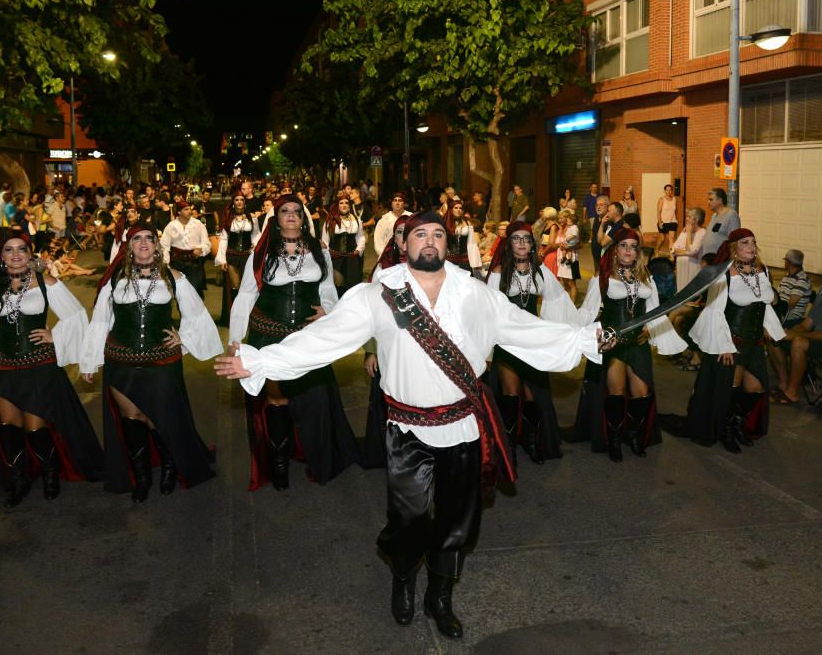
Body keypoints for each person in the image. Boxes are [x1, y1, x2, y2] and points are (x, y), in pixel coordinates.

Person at [215, 210, 606, 639]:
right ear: (404, 245)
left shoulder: (475, 293)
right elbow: (324, 338)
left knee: (459, 521)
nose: (430, 241)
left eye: (439, 234)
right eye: (421, 234)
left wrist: (582, 339)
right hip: (406, 429)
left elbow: (526, 330)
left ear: (448, 243)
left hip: (463, 428)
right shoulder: (378, 294)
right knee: (409, 520)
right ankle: (403, 578)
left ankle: (440, 596)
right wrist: (260, 360)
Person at [0, 231, 102, 506]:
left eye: (21, 249)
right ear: (1, 256)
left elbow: (76, 314)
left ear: (30, 253)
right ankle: (19, 477)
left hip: (37, 362)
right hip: (1, 362)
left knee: (35, 425)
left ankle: (50, 473)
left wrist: (55, 337)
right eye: (9, 250)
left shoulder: (45, 281)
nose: (15, 255)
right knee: (7, 425)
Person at [227, 195, 357, 491]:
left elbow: (327, 288)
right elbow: (246, 294)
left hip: (307, 335)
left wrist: (329, 312)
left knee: (313, 398)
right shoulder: (262, 253)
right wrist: (236, 339)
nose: (291, 216)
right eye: (285, 211)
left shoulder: (317, 251)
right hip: (268, 334)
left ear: (304, 217)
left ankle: (316, 454)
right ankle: (279, 462)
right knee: (276, 399)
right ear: (276, 217)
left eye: (297, 212)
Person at [82, 223, 220, 502]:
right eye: (137, 239)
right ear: (128, 246)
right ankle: (142, 476)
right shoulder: (115, 279)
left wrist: (183, 338)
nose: (144, 243)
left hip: (161, 362)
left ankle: (169, 467)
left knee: (158, 417)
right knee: (132, 418)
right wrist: (89, 360)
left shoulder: (173, 277)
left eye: (149, 238)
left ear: (157, 246)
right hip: (121, 361)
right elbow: (100, 320)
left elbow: (197, 315)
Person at [573, 228, 687, 461]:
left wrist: (650, 329)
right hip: (613, 344)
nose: (629, 250)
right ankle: (614, 439)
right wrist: (584, 337)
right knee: (617, 392)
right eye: (624, 245)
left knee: (642, 394)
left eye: (633, 246)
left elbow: (655, 311)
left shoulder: (647, 278)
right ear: (615, 250)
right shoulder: (602, 278)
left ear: (638, 252)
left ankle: (633, 434)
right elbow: (589, 311)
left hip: (637, 344)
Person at [487, 221, 580, 465]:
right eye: (516, 238)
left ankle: (530, 441)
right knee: (510, 392)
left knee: (531, 395)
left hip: (532, 343)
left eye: (526, 239)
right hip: (507, 342)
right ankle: (508, 449)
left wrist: (562, 333)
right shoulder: (498, 273)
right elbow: (489, 312)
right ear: (509, 244)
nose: (521, 243)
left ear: (532, 244)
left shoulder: (540, 272)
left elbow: (558, 299)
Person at [683, 229, 785, 450]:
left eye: (753, 243)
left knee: (755, 389)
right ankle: (727, 430)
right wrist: (724, 345)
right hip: (733, 341)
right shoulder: (724, 273)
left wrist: (768, 324)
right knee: (731, 389)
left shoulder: (763, 270)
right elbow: (714, 311)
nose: (751, 247)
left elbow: (763, 301)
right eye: (745, 243)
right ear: (734, 249)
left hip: (755, 342)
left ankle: (738, 423)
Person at [361, 214, 410, 468]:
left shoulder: (430, 263)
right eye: (400, 232)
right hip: (389, 345)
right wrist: (371, 351)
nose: (404, 237)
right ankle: (392, 454)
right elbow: (372, 311)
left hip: (422, 347)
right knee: (389, 401)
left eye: (409, 231)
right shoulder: (384, 268)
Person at [215, 193, 260, 324]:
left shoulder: (251, 218)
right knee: (236, 287)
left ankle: (248, 316)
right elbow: (223, 239)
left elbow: (256, 235)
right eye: (237, 199)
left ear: (244, 202)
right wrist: (222, 259)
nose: (239, 202)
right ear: (233, 202)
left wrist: (255, 247)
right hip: (232, 257)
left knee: (247, 287)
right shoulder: (229, 219)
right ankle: (237, 316)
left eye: (241, 200)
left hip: (247, 256)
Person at [771, 292, 822, 405]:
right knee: (774, 333)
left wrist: (796, 336)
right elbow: (806, 324)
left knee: (799, 342)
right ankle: (783, 383)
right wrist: (787, 333)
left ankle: (792, 392)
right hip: (816, 336)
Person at [160, 201, 211, 298]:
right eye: (186, 209)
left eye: (189, 209)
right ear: (179, 212)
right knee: (180, 293)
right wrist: (166, 264)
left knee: (195, 291)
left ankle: (196, 312)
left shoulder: (198, 224)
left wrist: (201, 250)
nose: (189, 211)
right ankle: (183, 313)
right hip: (177, 263)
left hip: (194, 263)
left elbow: (207, 243)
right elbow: (164, 246)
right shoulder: (171, 226)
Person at [322, 196, 366, 296]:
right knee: (338, 287)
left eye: (346, 203)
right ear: (337, 205)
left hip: (352, 257)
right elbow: (325, 242)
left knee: (353, 287)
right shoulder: (329, 221)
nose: (344, 205)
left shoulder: (356, 219)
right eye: (341, 203)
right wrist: (330, 254)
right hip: (336, 259)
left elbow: (361, 237)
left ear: (349, 206)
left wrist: (358, 250)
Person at [671, 207, 706, 289]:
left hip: (693, 268)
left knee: (690, 291)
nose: (686, 219)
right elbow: (673, 249)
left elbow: (691, 251)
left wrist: (689, 233)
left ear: (696, 219)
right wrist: (686, 252)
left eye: (689, 217)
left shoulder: (702, 233)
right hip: (681, 267)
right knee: (681, 290)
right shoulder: (684, 232)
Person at [444, 197, 481, 275]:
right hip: (450, 259)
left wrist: (475, 262)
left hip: (464, 259)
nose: (458, 210)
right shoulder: (445, 222)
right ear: (451, 209)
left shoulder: (467, 222)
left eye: (460, 208)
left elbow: (471, 243)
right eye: (456, 208)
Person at [701, 188, 740, 258]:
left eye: (711, 199)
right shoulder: (714, 216)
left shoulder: (731, 215)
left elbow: (734, 241)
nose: (708, 202)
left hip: (721, 260)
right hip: (709, 259)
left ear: (720, 200)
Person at [373, 191, 411, 257]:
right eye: (395, 200)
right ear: (391, 203)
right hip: (388, 257)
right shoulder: (384, 220)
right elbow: (378, 242)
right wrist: (385, 256)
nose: (397, 203)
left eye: (400, 200)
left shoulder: (411, 218)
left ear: (404, 203)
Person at [555, 209, 581, 300]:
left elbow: (579, 244)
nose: (560, 220)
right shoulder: (559, 230)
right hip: (561, 258)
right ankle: (565, 304)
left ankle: (572, 306)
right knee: (562, 281)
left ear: (568, 219)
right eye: (559, 218)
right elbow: (556, 244)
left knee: (571, 282)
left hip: (571, 258)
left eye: (562, 218)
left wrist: (568, 247)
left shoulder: (573, 228)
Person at [654, 184, 677, 257]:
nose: (669, 191)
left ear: (672, 191)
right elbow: (658, 212)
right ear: (665, 191)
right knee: (662, 239)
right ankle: (657, 249)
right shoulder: (661, 199)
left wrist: (676, 220)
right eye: (667, 190)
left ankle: (672, 255)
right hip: (663, 222)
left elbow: (675, 211)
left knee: (671, 238)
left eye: (670, 190)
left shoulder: (674, 199)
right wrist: (660, 222)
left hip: (672, 221)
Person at [538, 207, 560, 276]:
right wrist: (540, 251)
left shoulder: (553, 226)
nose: (542, 215)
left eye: (543, 213)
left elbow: (551, 243)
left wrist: (543, 253)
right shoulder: (546, 225)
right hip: (546, 252)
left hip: (550, 253)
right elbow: (544, 241)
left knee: (549, 277)